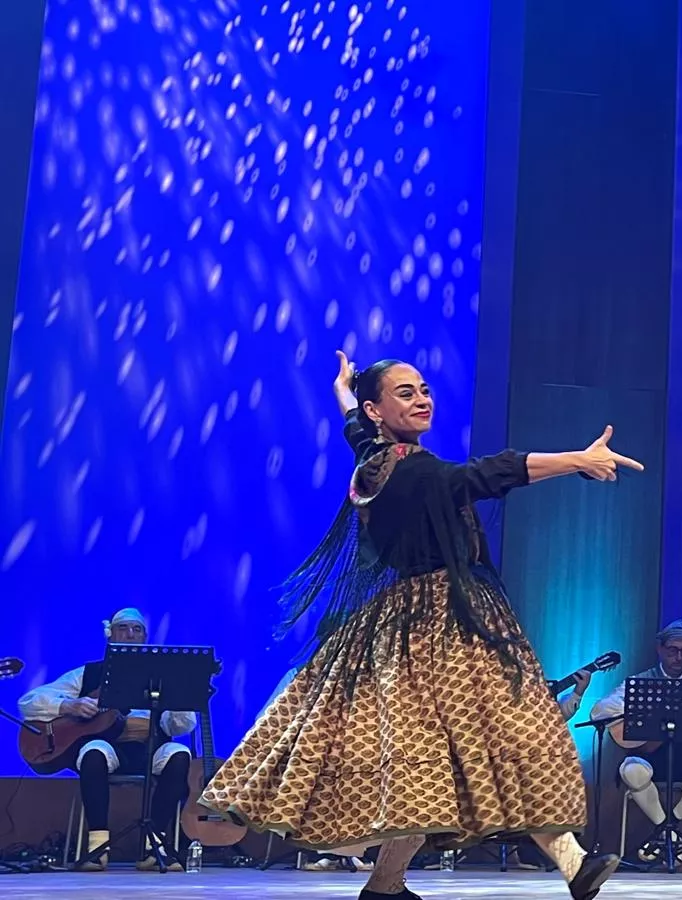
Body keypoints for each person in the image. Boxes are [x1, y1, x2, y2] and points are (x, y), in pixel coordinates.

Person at [200, 359, 637, 900]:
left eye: (424, 390)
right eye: (405, 394)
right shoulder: (415, 471)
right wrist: (577, 459)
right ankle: (569, 862)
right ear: (379, 408)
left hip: (402, 624)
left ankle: (390, 885)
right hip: (447, 625)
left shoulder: (374, 457)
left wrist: (342, 393)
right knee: (517, 732)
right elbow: (484, 475)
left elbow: (356, 430)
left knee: (424, 765)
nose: (422, 400)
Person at [18, 608, 196, 872]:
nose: (130, 634)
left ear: (145, 638)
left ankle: (153, 846)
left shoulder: (161, 675)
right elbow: (28, 702)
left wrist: (180, 694)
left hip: (150, 750)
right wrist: (69, 706)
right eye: (123, 628)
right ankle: (97, 848)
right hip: (109, 748)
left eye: (137, 630)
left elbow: (180, 724)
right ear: (110, 635)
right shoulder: (88, 674)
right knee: (93, 752)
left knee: (180, 753)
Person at [591, 620, 682, 863]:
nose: (679, 657)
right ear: (660, 649)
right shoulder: (642, 681)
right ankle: (668, 832)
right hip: (651, 757)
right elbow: (599, 712)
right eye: (673, 650)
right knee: (632, 770)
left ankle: (667, 828)